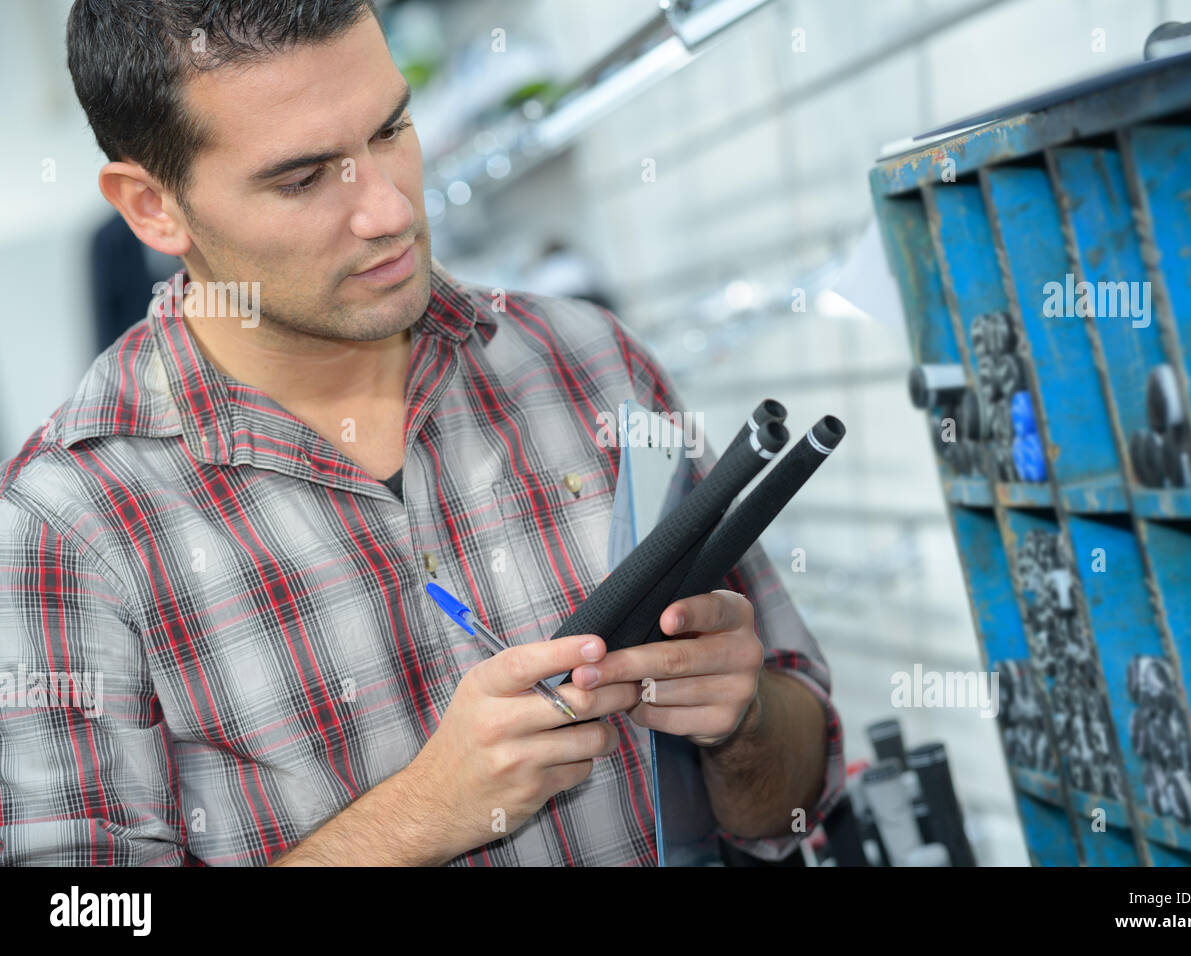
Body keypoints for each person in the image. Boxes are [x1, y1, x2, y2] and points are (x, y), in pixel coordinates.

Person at [0, 0, 843, 866]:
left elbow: (795, 798)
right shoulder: (65, 531)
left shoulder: (592, 366)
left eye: (391, 128)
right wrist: (419, 818)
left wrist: (743, 719)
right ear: (152, 207)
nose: (390, 210)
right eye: (302, 179)